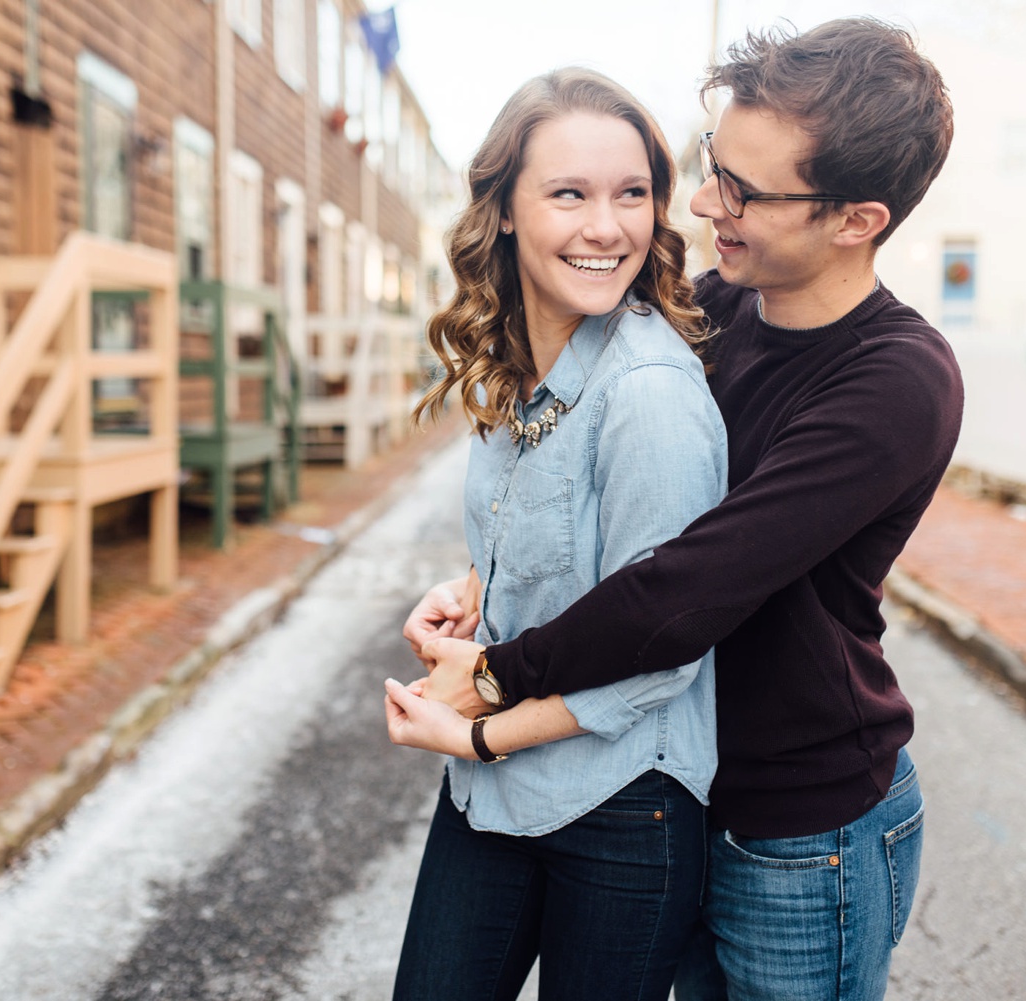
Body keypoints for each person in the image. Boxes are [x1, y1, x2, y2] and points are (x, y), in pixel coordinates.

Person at [408, 18, 963, 1001]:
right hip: (677, 784)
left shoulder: (896, 380)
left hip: (799, 828)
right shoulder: (715, 310)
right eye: (715, 166)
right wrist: (479, 583)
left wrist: (488, 686)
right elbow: (594, 498)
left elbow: (684, 589)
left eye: (745, 190)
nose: (704, 202)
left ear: (856, 219)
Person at [381, 68, 728, 1001]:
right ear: (502, 210)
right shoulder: (519, 364)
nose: (606, 227)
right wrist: (467, 590)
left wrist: (478, 734)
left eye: (632, 194)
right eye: (569, 193)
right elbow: (551, 542)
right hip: (493, 793)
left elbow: (663, 655)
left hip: (623, 804)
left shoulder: (649, 395)